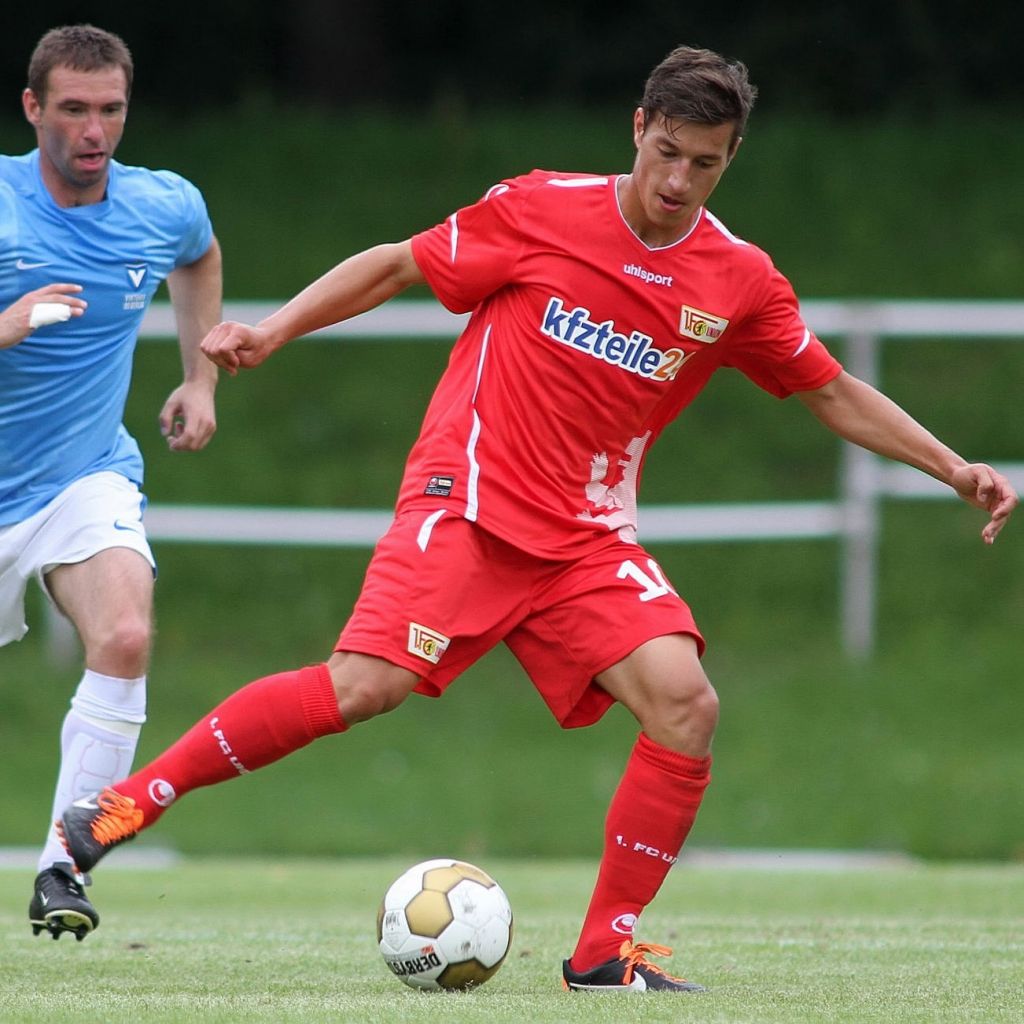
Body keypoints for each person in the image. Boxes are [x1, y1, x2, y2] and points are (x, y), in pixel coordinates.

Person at [58, 44, 1015, 989]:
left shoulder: (738, 280)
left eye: (705, 164)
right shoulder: (542, 208)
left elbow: (830, 389)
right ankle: (121, 807)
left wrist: (952, 466)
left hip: (586, 538)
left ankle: (603, 953)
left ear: (732, 158)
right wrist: (273, 331)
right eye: (667, 152)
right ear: (638, 128)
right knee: (366, 687)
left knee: (685, 704)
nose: (678, 182)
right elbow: (397, 266)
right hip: (469, 503)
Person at [0, 24, 222, 941]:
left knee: (126, 634)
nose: (94, 131)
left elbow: (198, 254)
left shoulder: (161, 204)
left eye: (111, 110)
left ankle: (64, 865)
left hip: (80, 478)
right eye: (73, 109)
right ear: (32, 108)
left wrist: (201, 377)